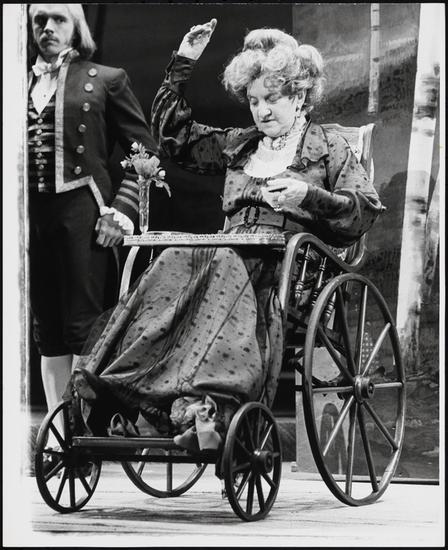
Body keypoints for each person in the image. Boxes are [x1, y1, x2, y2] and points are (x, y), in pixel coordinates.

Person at [69, 20, 383, 452]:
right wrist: (184, 62)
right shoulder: (241, 145)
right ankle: (124, 392)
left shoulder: (328, 147)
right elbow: (175, 138)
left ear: (299, 95)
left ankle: (206, 410)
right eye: (253, 101)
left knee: (220, 262)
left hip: (286, 274)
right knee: (175, 258)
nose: (262, 111)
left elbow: (363, 210)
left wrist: (307, 195)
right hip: (225, 260)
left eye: (272, 98)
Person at [28, 4, 159, 428]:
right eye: (39, 20)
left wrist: (119, 213)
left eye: (58, 19)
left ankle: (83, 430)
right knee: (47, 331)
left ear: (77, 27)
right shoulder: (18, 83)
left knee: (82, 327)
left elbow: (146, 152)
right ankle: (57, 434)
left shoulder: (106, 79)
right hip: (29, 218)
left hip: (83, 215)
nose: (48, 28)